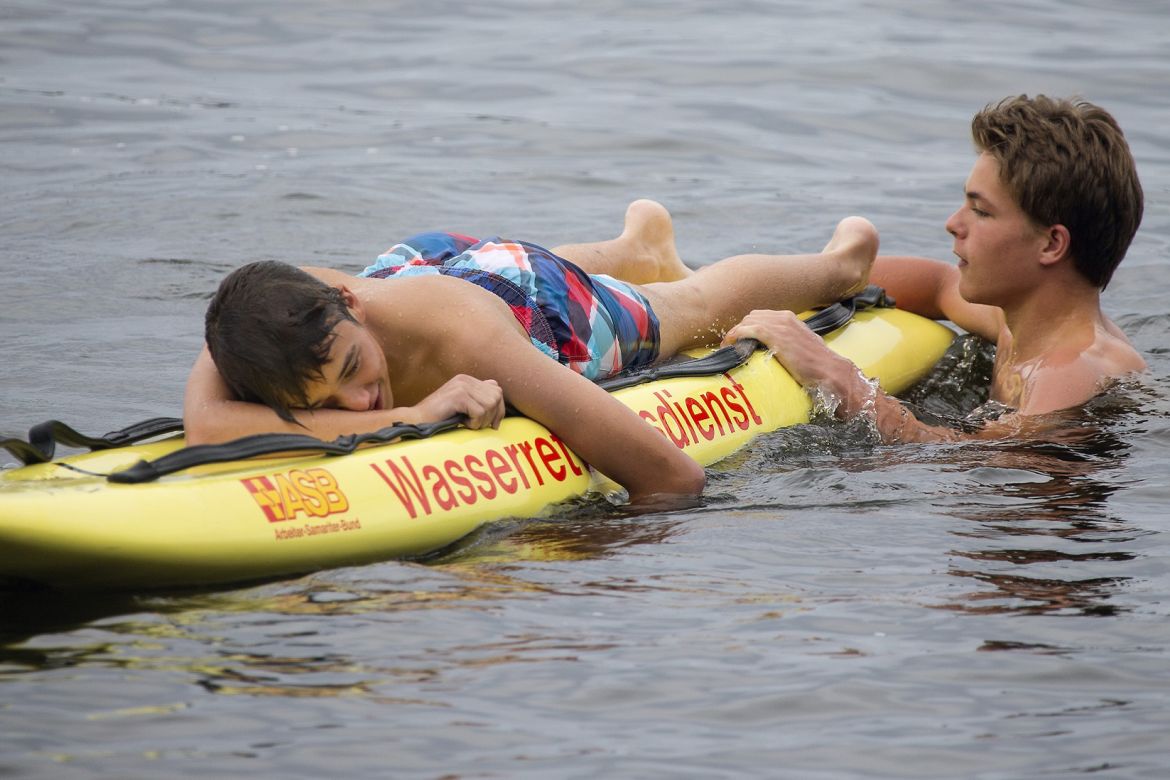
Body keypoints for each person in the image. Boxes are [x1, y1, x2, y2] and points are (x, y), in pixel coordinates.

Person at [184, 200, 877, 503]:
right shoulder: (254, 326)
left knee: (681, 311)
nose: (358, 401)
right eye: (321, 408)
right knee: (495, 273)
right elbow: (209, 427)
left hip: (518, 302)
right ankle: (637, 247)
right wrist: (416, 416)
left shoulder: (475, 341)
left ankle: (839, 260)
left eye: (354, 373)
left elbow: (671, 478)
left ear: (350, 307)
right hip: (426, 272)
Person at [724, 95, 1146, 442]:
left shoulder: (1071, 372)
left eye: (980, 211)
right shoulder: (1021, 321)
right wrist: (811, 279)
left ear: (1051, 244)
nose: (953, 223)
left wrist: (832, 372)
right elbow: (939, 284)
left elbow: (978, 461)